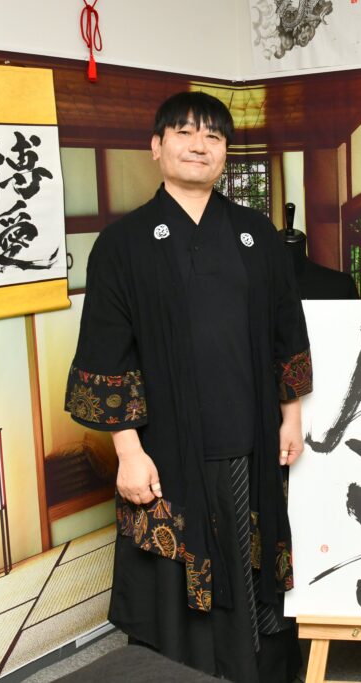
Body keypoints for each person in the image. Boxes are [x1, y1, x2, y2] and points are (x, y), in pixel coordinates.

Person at [63, 91, 311, 682]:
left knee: (255, 586)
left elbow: (286, 330)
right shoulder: (122, 245)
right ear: (156, 147)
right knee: (177, 597)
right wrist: (127, 450)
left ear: (225, 154)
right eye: (184, 132)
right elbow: (106, 356)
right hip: (168, 452)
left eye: (213, 137)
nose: (199, 145)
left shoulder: (256, 235)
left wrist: (291, 415)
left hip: (250, 444)